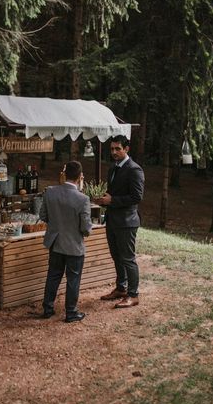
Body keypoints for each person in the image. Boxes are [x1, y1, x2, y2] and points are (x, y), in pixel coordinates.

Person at [38, 161, 92, 323]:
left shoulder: (50, 192)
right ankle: (71, 312)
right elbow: (86, 228)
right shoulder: (83, 199)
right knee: (73, 279)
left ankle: (47, 308)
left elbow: (43, 216)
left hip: (55, 243)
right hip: (74, 246)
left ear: (64, 174)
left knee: (53, 276)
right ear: (80, 177)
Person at [94, 135, 145, 308]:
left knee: (128, 259)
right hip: (112, 220)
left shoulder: (134, 170)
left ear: (127, 149)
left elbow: (137, 197)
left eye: (118, 149)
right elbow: (112, 192)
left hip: (127, 221)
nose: (114, 152)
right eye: (112, 149)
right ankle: (121, 288)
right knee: (116, 256)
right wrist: (102, 199)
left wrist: (112, 201)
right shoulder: (113, 167)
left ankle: (133, 294)